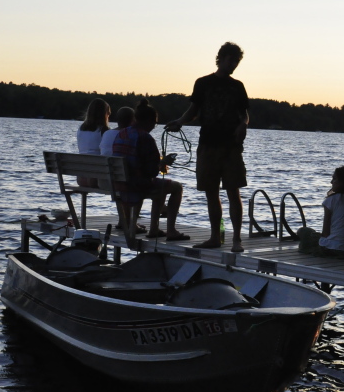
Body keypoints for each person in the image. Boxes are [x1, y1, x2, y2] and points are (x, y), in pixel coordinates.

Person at [164, 42, 249, 252]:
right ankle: (215, 237)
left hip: (231, 146)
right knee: (211, 192)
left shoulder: (237, 86)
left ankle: (236, 239)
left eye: (237, 62)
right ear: (220, 59)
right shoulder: (202, 83)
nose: (234, 65)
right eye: (231, 60)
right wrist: (179, 122)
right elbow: (193, 110)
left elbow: (244, 115)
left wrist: (243, 125)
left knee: (233, 191)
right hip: (208, 145)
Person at [112, 99, 188, 242]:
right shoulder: (145, 137)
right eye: (155, 122)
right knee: (176, 187)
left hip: (120, 183)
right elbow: (151, 172)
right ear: (148, 121)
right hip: (136, 185)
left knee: (160, 185)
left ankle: (154, 229)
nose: (154, 126)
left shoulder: (122, 133)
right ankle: (170, 230)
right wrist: (164, 163)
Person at [297, 166, 344, 256]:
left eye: (334, 179)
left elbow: (326, 232)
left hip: (337, 249)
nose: (331, 182)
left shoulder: (332, 200)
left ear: (343, 182)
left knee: (303, 231)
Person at [101, 106, 140, 232]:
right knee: (137, 180)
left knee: (124, 175)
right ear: (133, 120)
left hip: (103, 179)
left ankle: (123, 220)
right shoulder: (128, 136)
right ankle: (130, 223)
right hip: (119, 182)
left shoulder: (107, 133)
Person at [76, 98, 110, 187]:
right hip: (96, 179)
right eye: (108, 113)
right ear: (104, 114)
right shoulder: (104, 131)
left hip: (81, 179)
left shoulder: (81, 128)